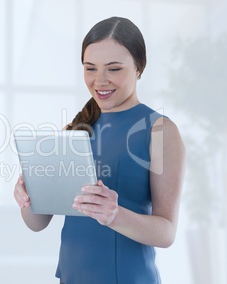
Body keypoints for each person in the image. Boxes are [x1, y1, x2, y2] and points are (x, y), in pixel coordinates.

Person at [13, 16, 185, 284]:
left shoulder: (159, 130)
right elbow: (37, 223)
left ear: (139, 67)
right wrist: (28, 197)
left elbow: (167, 232)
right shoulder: (75, 130)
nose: (99, 81)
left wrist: (115, 215)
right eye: (90, 68)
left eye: (114, 69)